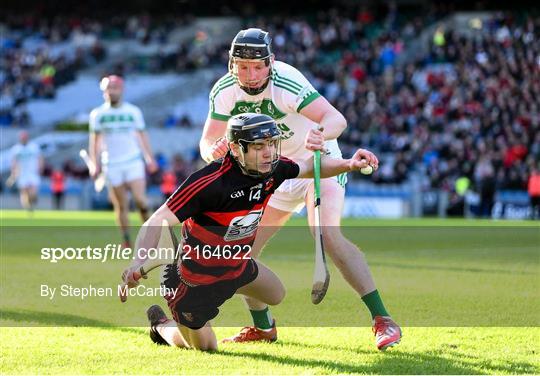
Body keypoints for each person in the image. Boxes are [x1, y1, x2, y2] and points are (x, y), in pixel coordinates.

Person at [199, 28, 401, 350]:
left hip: (318, 162)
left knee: (327, 234)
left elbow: (336, 118)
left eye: (258, 67)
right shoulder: (224, 91)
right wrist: (213, 151)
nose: (251, 75)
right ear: (231, 65)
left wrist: (320, 133)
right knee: (239, 250)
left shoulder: (287, 82)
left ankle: (382, 320)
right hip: (271, 171)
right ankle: (263, 327)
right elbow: (207, 141)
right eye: (243, 67)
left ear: (271, 62)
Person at [121, 113, 379, 351]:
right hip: (196, 280)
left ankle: (252, 316)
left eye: (271, 143)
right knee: (205, 348)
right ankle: (162, 326)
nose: (268, 153)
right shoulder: (210, 183)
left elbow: (309, 167)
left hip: (236, 266)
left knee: (276, 294)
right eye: (258, 146)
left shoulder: (271, 168)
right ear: (236, 148)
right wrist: (138, 260)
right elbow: (156, 221)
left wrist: (349, 164)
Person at [89, 75, 158, 247]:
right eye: (107, 89)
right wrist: (94, 163)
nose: (111, 92)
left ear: (121, 90)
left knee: (140, 200)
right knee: (121, 205)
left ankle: (149, 237)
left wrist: (149, 158)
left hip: (133, 161)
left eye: (114, 88)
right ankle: (126, 240)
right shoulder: (98, 114)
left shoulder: (133, 111)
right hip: (111, 164)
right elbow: (95, 141)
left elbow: (143, 136)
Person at [8, 131, 43, 212]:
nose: (24, 139)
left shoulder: (34, 147)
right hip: (22, 173)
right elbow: (13, 161)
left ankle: (32, 201)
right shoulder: (16, 149)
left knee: (33, 192)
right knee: (24, 192)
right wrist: (13, 172)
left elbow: (40, 158)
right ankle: (28, 208)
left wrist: (41, 168)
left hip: (33, 172)